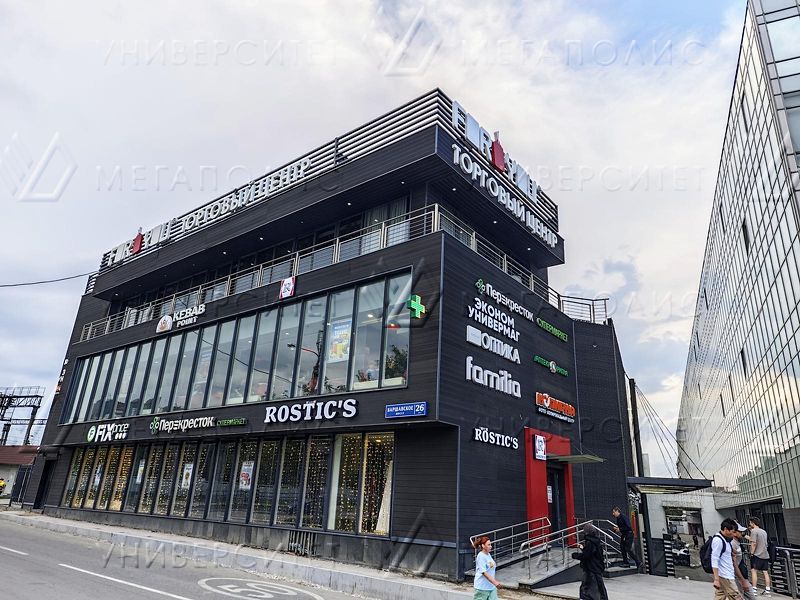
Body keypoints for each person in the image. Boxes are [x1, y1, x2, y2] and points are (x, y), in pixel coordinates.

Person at [712, 519, 751, 600]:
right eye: (732, 532)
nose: (734, 534)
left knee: (719, 597)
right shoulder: (718, 540)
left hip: (726, 574)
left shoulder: (726, 539)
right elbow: (714, 559)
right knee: (737, 597)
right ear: (726, 529)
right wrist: (716, 579)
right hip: (725, 575)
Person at [572, 523, 609, 600]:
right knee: (599, 586)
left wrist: (575, 555)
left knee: (587, 587)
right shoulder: (596, 541)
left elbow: (587, 555)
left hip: (591, 568)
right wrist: (583, 548)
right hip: (596, 567)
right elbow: (593, 553)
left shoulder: (590, 542)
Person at [732, 522, 756, 600]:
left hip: (739, 574)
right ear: (734, 532)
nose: (742, 533)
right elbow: (734, 564)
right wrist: (742, 580)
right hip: (735, 575)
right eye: (740, 531)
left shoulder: (737, 542)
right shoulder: (732, 543)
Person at [748, 517, 771, 595]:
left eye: (750, 523)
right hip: (765, 554)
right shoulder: (763, 531)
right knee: (765, 572)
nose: (749, 524)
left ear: (753, 523)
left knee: (754, 571)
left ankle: (754, 588)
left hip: (757, 554)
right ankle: (768, 589)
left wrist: (751, 553)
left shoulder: (754, 531)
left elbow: (753, 543)